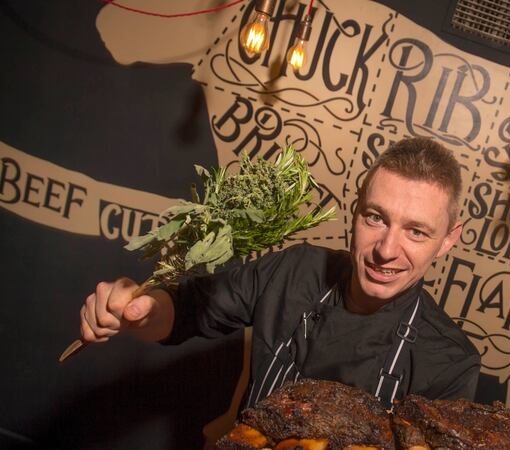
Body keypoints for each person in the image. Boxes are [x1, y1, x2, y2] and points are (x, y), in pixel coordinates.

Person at [78, 137, 480, 408]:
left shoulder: (449, 363)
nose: (386, 250)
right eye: (375, 218)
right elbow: (184, 311)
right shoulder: (297, 269)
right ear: (356, 211)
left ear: (448, 239)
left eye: (416, 231)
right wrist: (141, 309)